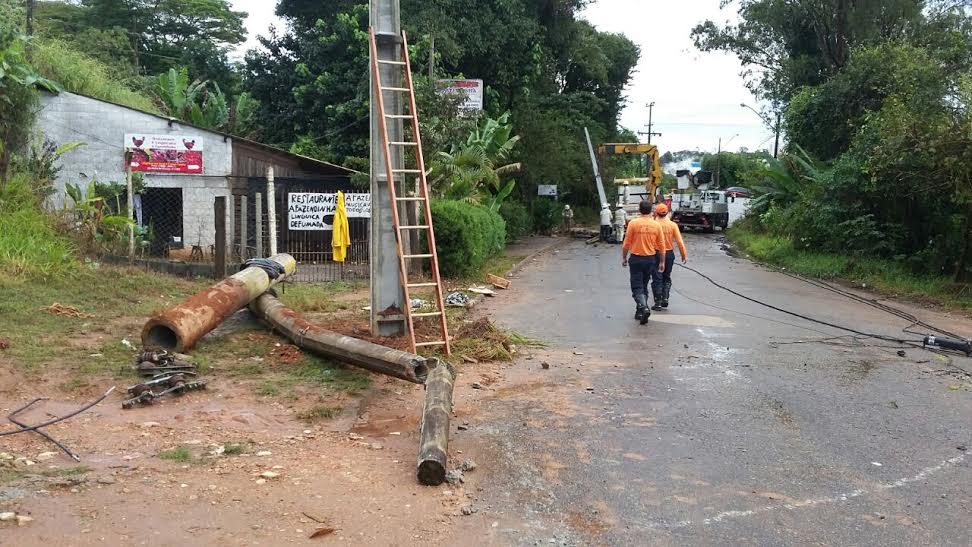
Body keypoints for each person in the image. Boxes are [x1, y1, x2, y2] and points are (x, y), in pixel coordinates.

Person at [621, 200, 666, 324]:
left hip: (636, 259)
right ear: (651, 210)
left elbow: (626, 243)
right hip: (650, 259)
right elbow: (662, 246)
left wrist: (624, 257)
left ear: (639, 210)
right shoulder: (656, 225)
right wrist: (662, 262)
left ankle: (644, 307)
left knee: (636, 286)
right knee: (644, 285)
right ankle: (639, 312)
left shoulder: (633, 223)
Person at [651, 203, 687, 310]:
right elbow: (679, 241)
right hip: (669, 254)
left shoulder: (653, 224)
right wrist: (683, 255)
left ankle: (657, 302)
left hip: (656, 253)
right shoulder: (673, 225)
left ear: (656, 212)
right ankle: (665, 298)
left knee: (657, 277)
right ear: (667, 212)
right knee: (666, 277)